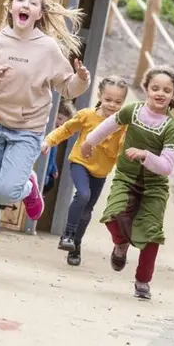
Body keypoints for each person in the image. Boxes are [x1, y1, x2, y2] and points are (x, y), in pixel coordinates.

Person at [0, 0, 91, 273]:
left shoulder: (47, 48)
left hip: (27, 131)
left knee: (6, 192)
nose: (25, 5)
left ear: (39, 13)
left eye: (33, 3)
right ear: (11, 7)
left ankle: (28, 185)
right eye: (20, 0)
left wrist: (81, 78)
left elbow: (67, 88)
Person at [84, 67, 174, 300]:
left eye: (166, 90)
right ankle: (121, 244)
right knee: (113, 214)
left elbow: (167, 166)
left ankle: (142, 280)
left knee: (151, 233)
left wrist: (145, 155)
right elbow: (109, 125)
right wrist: (89, 142)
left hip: (154, 187)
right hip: (126, 178)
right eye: (155, 88)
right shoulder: (133, 111)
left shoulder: (171, 127)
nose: (160, 93)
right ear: (146, 88)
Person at [42, 76, 130, 266]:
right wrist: (49, 140)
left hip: (101, 171)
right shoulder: (87, 115)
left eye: (118, 102)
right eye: (108, 100)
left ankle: (76, 245)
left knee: (87, 209)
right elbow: (66, 129)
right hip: (80, 162)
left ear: (123, 103)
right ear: (100, 95)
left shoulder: (123, 124)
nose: (112, 105)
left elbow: (123, 149)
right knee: (83, 195)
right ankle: (68, 234)